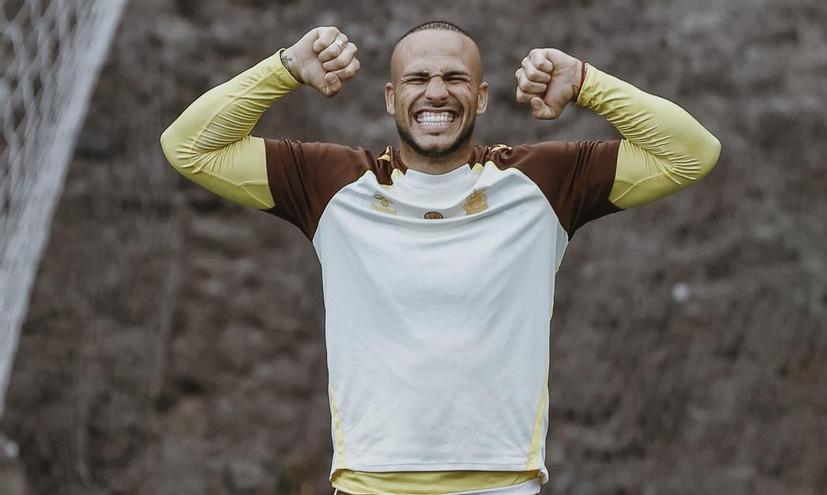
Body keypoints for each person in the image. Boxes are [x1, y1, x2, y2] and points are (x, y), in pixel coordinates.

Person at [161, 20, 720, 495]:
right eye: (418, 78)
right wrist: (283, 67)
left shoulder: (543, 182)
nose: (436, 93)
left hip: (502, 483)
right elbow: (189, 147)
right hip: (368, 483)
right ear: (390, 97)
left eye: (455, 79)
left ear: (479, 97)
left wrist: (587, 84)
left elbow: (691, 154)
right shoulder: (331, 183)